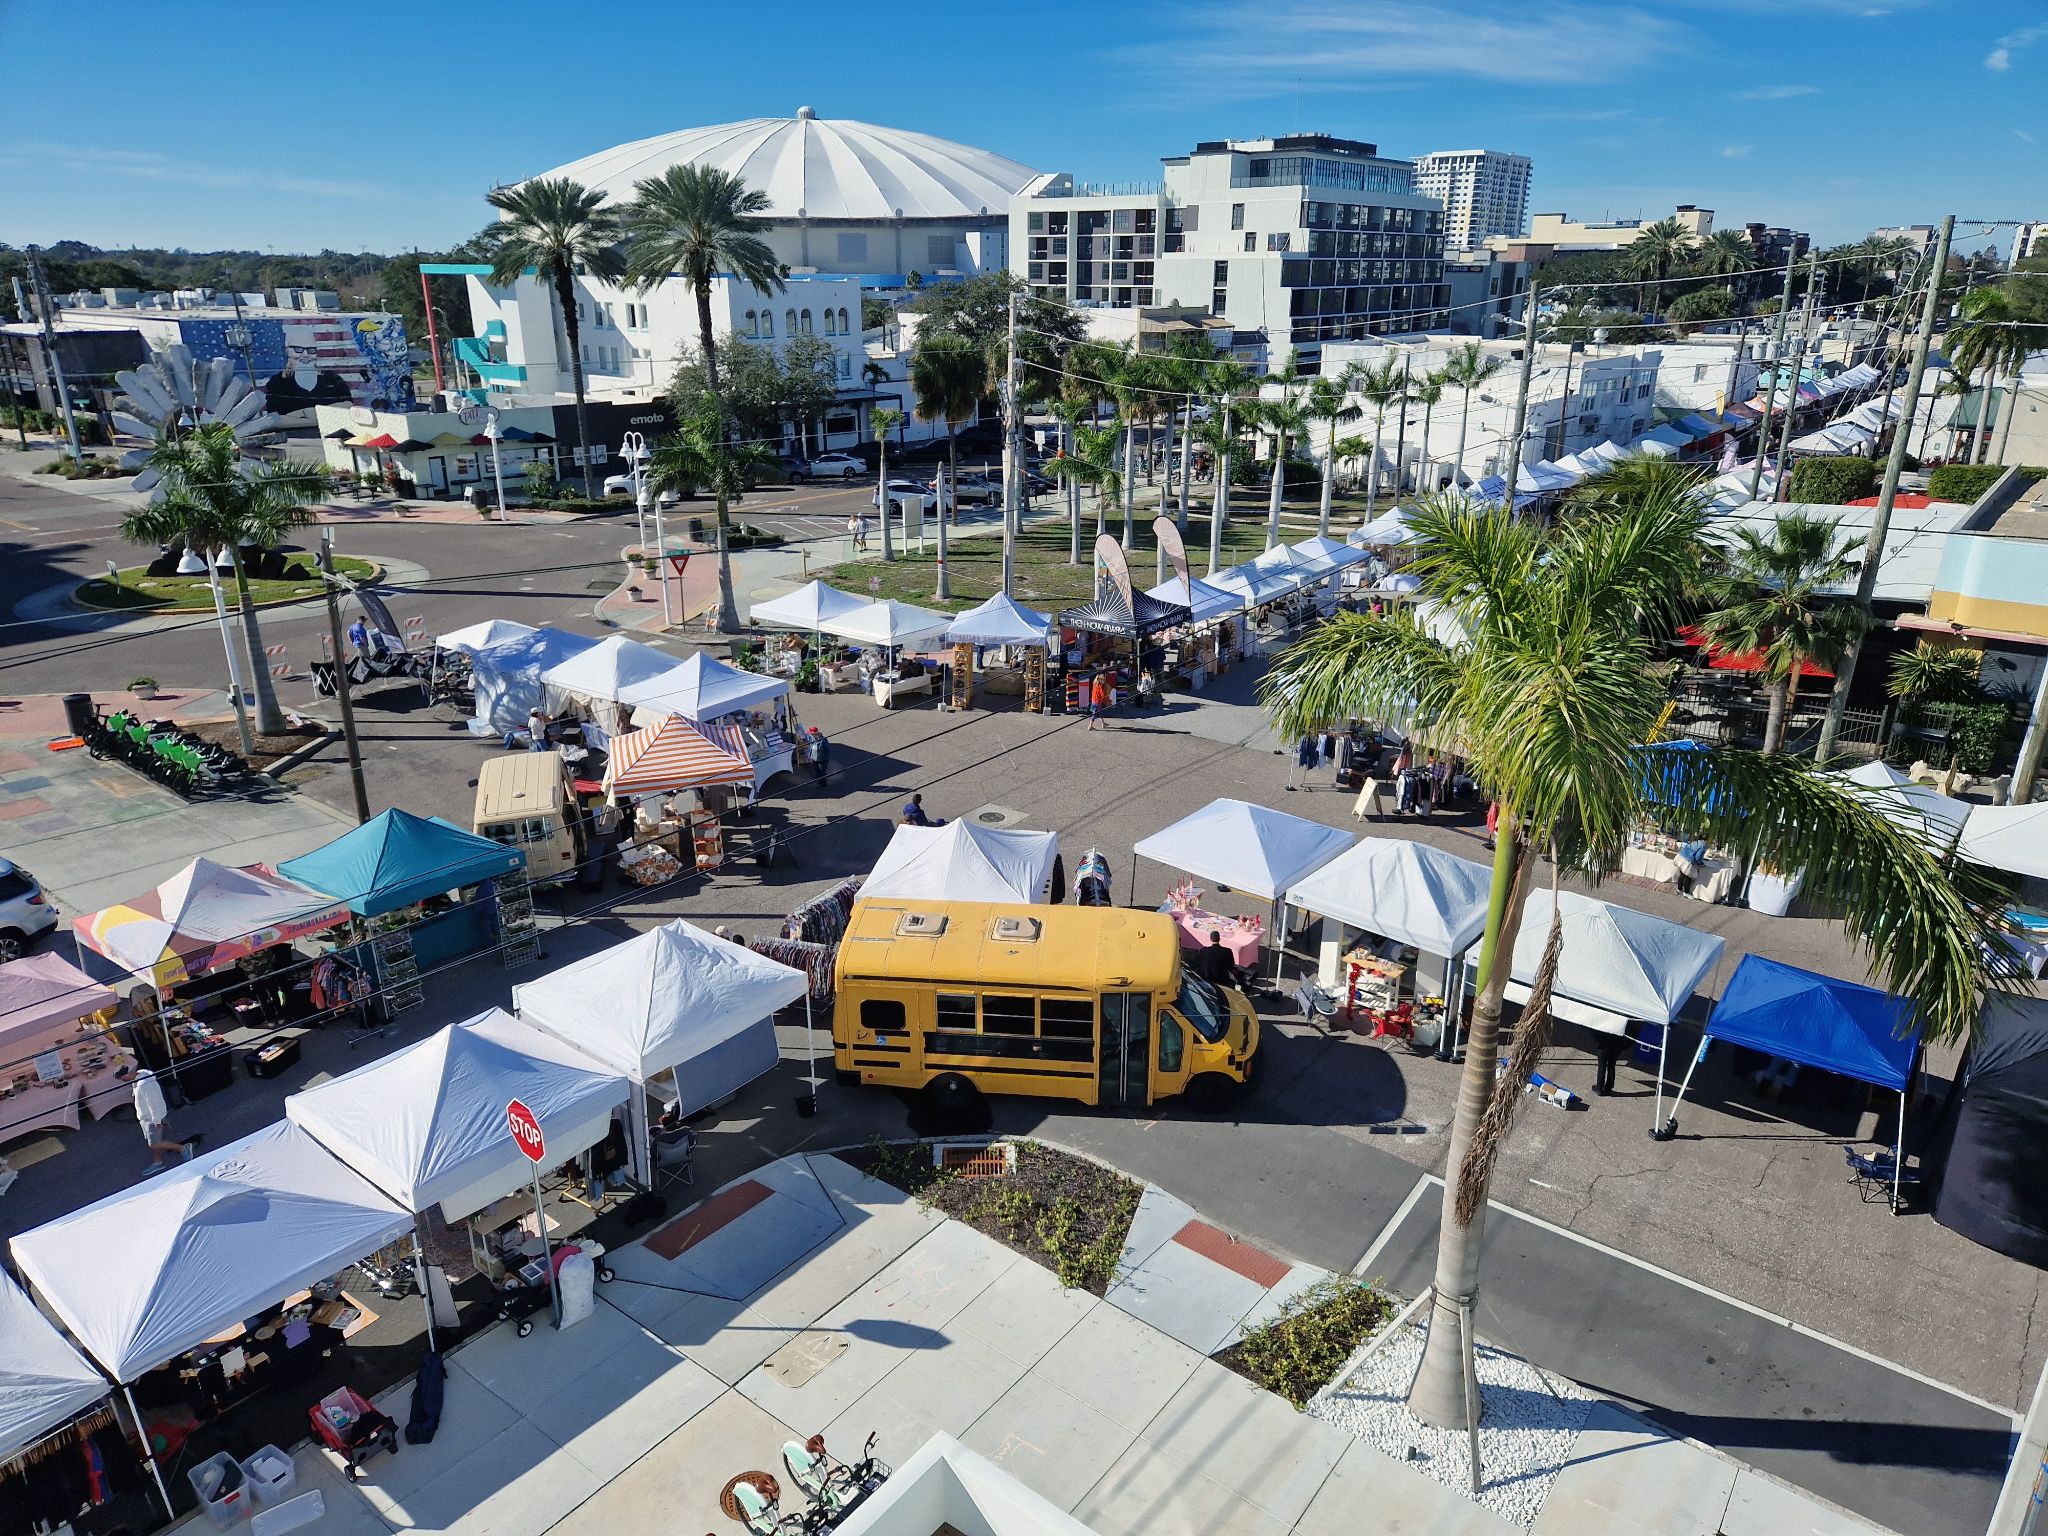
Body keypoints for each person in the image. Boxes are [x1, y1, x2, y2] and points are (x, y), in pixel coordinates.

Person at [132, 1068, 195, 1172]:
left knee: (154, 1144)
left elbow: (153, 1103)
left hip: (151, 1119)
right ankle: (158, 1162)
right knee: (152, 1142)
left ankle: (182, 1148)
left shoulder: (145, 1084)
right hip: (145, 1117)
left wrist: (157, 1121)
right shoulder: (138, 1080)